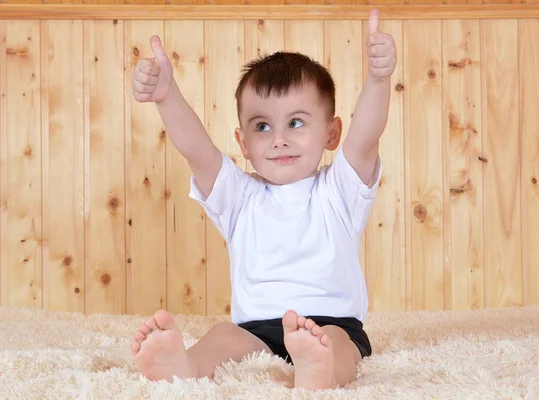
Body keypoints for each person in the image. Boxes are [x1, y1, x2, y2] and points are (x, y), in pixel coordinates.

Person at [129, 9, 397, 390]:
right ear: (243, 144)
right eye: (262, 126)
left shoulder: (339, 191)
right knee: (222, 335)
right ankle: (183, 366)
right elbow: (198, 151)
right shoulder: (240, 198)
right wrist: (166, 96)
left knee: (338, 345)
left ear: (332, 133)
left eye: (297, 122)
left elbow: (367, 136)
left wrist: (379, 78)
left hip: (334, 323)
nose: (279, 139)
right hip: (256, 329)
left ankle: (320, 370)